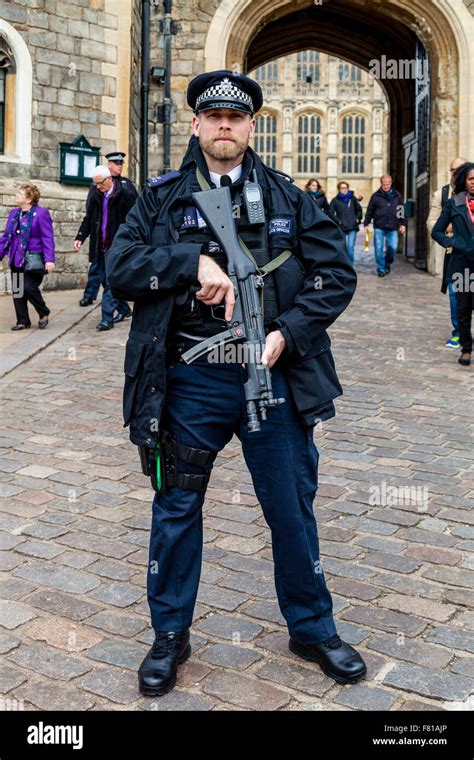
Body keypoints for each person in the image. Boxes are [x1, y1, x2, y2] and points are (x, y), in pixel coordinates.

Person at [107, 69, 366, 697]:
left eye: (237, 117)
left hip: (271, 377)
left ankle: (311, 627)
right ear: (197, 124)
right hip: (191, 379)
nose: (225, 126)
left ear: (251, 126)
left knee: (290, 509)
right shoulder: (163, 198)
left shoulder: (287, 196)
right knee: (176, 508)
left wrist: (289, 334)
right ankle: (170, 634)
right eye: (214, 117)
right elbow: (118, 267)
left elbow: (336, 274)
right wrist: (187, 260)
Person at [74, 166, 135, 331]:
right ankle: (124, 309)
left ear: (109, 180)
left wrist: (131, 243)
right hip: (99, 246)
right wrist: (80, 236)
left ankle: (106, 319)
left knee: (110, 282)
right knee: (102, 279)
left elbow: (135, 220)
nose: (97, 187)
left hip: (117, 247)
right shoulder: (96, 195)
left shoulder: (125, 195)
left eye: (100, 184)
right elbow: (89, 218)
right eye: (95, 184)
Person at [432, 162, 474, 367]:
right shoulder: (454, 203)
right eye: (471, 179)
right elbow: (437, 231)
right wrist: (453, 243)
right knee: (464, 308)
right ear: (464, 181)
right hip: (463, 265)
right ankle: (466, 348)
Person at [0, 183, 55, 330]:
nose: (16, 195)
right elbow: (6, 238)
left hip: (33, 260)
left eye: (20, 193)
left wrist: (50, 260)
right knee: (18, 290)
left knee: (28, 287)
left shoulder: (41, 213)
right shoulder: (14, 213)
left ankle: (43, 312)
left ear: (29, 199)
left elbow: (47, 237)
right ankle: (23, 320)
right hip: (16, 259)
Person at [427, 157, 467, 349]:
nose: (456, 173)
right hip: (455, 252)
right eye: (453, 170)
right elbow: (432, 223)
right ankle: (458, 332)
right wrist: (450, 236)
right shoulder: (442, 195)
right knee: (455, 293)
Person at [364, 175, 407, 277]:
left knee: (393, 248)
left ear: (391, 183)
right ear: (381, 184)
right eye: (384, 185)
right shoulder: (375, 196)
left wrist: (403, 224)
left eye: (387, 184)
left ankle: (387, 263)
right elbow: (370, 210)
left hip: (393, 226)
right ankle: (381, 269)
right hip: (379, 226)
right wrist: (366, 223)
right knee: (378, 248)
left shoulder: (397, 195)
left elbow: (401, 210)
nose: (386, 186)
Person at [328, 181, 363, 265]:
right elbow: (330, 212)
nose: (344, 189)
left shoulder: (353, 199)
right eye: (342, 188)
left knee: (350, 247)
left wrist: (358, 218)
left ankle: (351, 265)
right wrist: (338, 221)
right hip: (341, 227)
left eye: (346, 187)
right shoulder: (335, 200)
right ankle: (344, 264)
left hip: (352, 226)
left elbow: (359, 209)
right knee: (343, 247)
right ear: (339, 189)